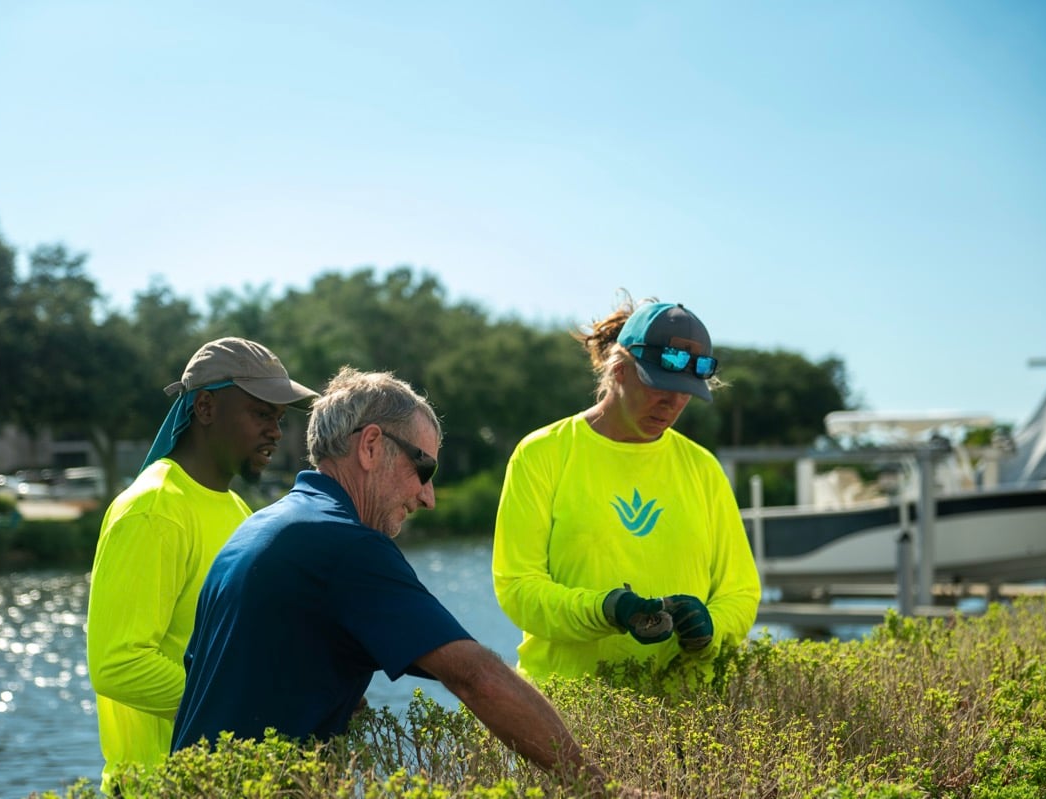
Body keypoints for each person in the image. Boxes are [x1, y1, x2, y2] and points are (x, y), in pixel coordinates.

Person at [171, 366, 632, 796]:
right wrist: (599, 789)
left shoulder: (260, 529)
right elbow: (475, 676)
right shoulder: (343, 543)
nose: (428, 496)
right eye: (424, 469)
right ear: (371, 446)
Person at [492, 296, 761, 690]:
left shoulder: (703, 468)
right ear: (618, 370)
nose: (672, 403)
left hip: (686, 713)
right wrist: (606, 610)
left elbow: (741, 592)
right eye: (660, 386)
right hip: (567, 714)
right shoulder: (542, 455)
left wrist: (709, 626)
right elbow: (517, 589)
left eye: (686, 391)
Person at [86, 337, 318, 791]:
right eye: (261, 413)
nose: (276, 431)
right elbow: (118, 664)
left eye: (280, 418)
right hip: (158, 786)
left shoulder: (238, 511)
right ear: (207, 408)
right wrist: (248, 704)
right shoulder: (153, 510)